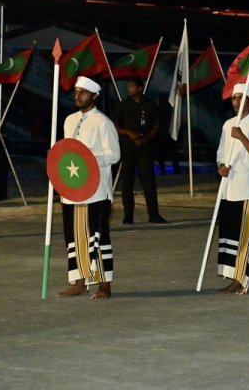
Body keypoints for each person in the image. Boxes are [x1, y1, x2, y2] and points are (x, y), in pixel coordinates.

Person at [56, 76, 121, 300]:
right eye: (75, 92)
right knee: (73, 236)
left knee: (98, 236)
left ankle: (104, 285)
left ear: (94, 95)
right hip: (72, 190)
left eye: (82, 92)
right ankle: (79, 282)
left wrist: (88, 159)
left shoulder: (103, 122)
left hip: (96, 190)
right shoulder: (69, 120)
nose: (77, 96)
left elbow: (114, 154)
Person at [215, 84, 249, 295]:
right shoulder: (228, 125)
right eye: (234, 98)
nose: (236, 102)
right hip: (229, 189)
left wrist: (242, 137)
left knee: (247, 237)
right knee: (231, 237)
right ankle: (235, 279)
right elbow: (221, 153)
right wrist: (221, 167)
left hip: (248, 190)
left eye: (240, 98)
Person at [113, 77, 167, 224]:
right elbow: (116, 126)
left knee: (149, 182)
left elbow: (157, 125)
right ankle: (128, 216)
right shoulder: (123, 105)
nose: (128, 89)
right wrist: (130, 134)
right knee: (127, 183)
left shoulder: (150, 105)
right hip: (128, 149)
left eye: (131, 86)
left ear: (140, 88)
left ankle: (154, 214)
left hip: (145, 148)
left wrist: (146, 139)